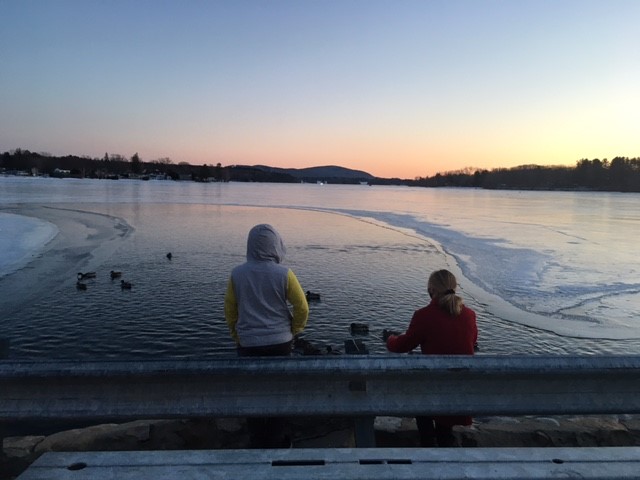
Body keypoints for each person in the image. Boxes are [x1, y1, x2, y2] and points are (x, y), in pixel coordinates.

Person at [224, 223, 309, 448]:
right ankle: (277, 440)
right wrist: (294, 330)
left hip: (248, 343)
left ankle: (257, 439)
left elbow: (230, 311)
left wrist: (237, 336)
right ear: (276, 246)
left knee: (251, 392)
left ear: (250, 245)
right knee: (278, 391)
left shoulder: (237, 274)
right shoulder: (284, 274)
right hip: (280, 343)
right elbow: (302, 308)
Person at [384, 269, 477, 447]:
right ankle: (444, 439)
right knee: (443, 425)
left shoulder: (424, 315)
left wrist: (390, 339)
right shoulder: (469, 315)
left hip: (435, 383)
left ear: (432, 290)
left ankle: (427, 442)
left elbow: (402, 346)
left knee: (420, 395)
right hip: (461, 384)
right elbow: (472, 341)